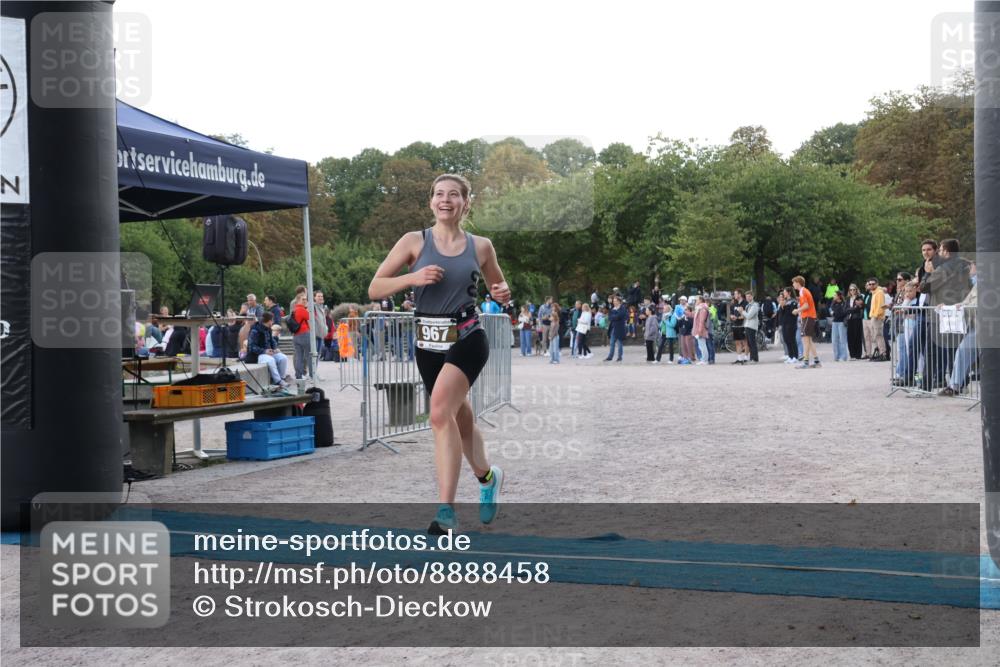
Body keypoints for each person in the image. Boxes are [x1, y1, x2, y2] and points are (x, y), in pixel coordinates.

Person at [368, 173, 508, 534]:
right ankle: (487, 478)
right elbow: (375, 287)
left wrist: (503, 293)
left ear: (465, 202)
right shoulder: (414, 241)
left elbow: (497, 286)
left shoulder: (481, 246)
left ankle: (445, 512)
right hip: (427, 342)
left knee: (439, 413)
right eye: (439, 194)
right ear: (431, 201)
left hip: (467, 336)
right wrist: (412, 279)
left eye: (454, 195)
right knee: (459, 419)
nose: (445, 200)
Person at [246, 313, 290, 387]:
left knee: (283, 358)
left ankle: (282, 378)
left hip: (268, 353)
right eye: (272, 320)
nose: (272, 322)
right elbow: (251, 346)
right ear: (269, 321)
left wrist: (275, 348)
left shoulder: (268, 329)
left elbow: (272, 341)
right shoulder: (255, 330)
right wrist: (264, 351)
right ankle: (278, 381)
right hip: (257, 355)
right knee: (270, 360)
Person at [792, 275, 820, 368]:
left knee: (805, 341)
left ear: (798, 283)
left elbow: (806, 306)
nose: (793, 284)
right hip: (810, 317)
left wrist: (797, 310)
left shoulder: (802, 291)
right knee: (809, 340)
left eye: (794, 283)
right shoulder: (804, 291)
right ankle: (816, 361)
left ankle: (806, 362)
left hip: (807, 317)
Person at [290, 292, 312, 380]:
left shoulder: (294, 310)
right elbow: (309, 317)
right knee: (309, 355)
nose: (305, 301)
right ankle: (312, 375)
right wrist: (307, 308)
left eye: (306, 299)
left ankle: (298, 375)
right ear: (298, 300)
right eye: (303, 299)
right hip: (304, 334)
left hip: (296, 335)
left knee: (299, 356)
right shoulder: (302, 309)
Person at [604, 295, 626, 362]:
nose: (614, 302)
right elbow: (610, 317)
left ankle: (619, 357)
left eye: (615, 301)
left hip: (620, 328)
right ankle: (610, 357)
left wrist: (614, 316)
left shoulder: (622, 308)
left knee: (619, 343)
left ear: (619, 302)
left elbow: (620, 316)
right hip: (613, 328)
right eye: (613, 301)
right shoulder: (613, 309)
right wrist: (615, 316)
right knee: (612, 343)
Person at [829, 290, 849, 362]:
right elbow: (831, 311)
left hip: (842, 323)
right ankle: (836, 356)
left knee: (842, 340)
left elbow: (843, 313)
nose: (833, 296)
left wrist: (834, 312)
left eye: (835, 295)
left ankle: (843, 357)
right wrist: (834, 312)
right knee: (834, 340)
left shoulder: (844, 303)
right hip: (835, 323)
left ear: (839, 296)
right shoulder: (833, 303)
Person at [743, 291, 760, 363]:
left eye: (749, 296)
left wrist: (742, 311)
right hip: (747, 325)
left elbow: (749, 316)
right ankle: (752, 358)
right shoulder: (748, 305)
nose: (747, 298)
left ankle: (755, 359)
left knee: (752, 343)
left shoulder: (755, 305)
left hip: (752, 326)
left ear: (752, 296)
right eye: (746, 296)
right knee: (749, 343)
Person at [691, 297, 709, 365]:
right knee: (701, 345)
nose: (696, 301)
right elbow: (693, 315)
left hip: (701, 330)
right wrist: (685, 312)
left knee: (702, 345)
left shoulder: (702, 309)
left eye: (697, 299)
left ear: (701, 300)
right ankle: (703, 359)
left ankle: (705, 360)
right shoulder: (698, 308)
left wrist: (699, 331)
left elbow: (702, 321)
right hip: (699, 329)